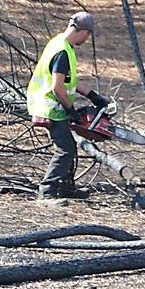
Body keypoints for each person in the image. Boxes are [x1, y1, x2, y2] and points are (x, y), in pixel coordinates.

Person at [26, 12, 110, 204]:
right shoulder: (62, 52)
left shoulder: (61, 44)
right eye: (88, 35)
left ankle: (65, 188)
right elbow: (57, 87)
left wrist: (93, 96)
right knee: (65, 149)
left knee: (70, 147)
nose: (88, 39)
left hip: (54, 105)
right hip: (50, 107)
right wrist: (70, 109)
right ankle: (46, 192)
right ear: (83, 31)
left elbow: (69, 82)